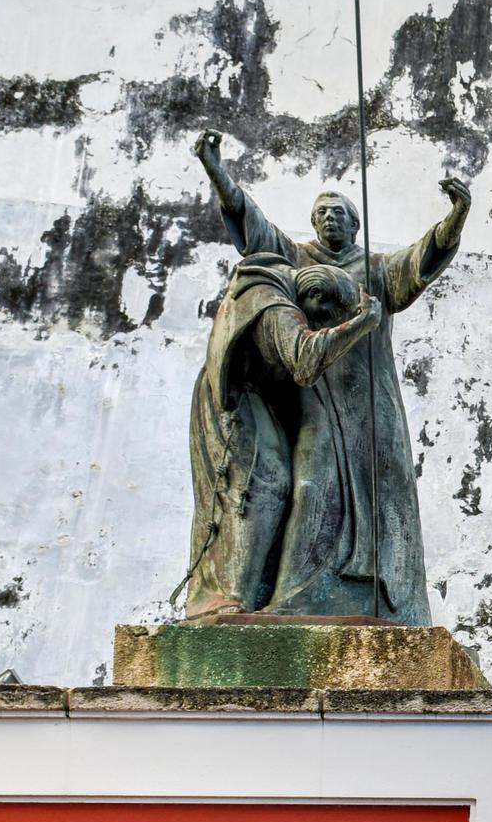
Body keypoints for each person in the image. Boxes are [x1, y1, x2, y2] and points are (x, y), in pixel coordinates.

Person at [182, 130, 472, 621]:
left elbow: (422, 260)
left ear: (356, 225)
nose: (329, 218)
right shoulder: (296, 260)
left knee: (378, 504)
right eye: (321, 214)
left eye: (338, 212)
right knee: (310, 487)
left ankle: (369, 597)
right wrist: (216, 169)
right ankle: (293, 598)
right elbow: (251, 224)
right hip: (313, 399)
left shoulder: (377, 269)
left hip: (368, 405)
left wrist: (456, 218)